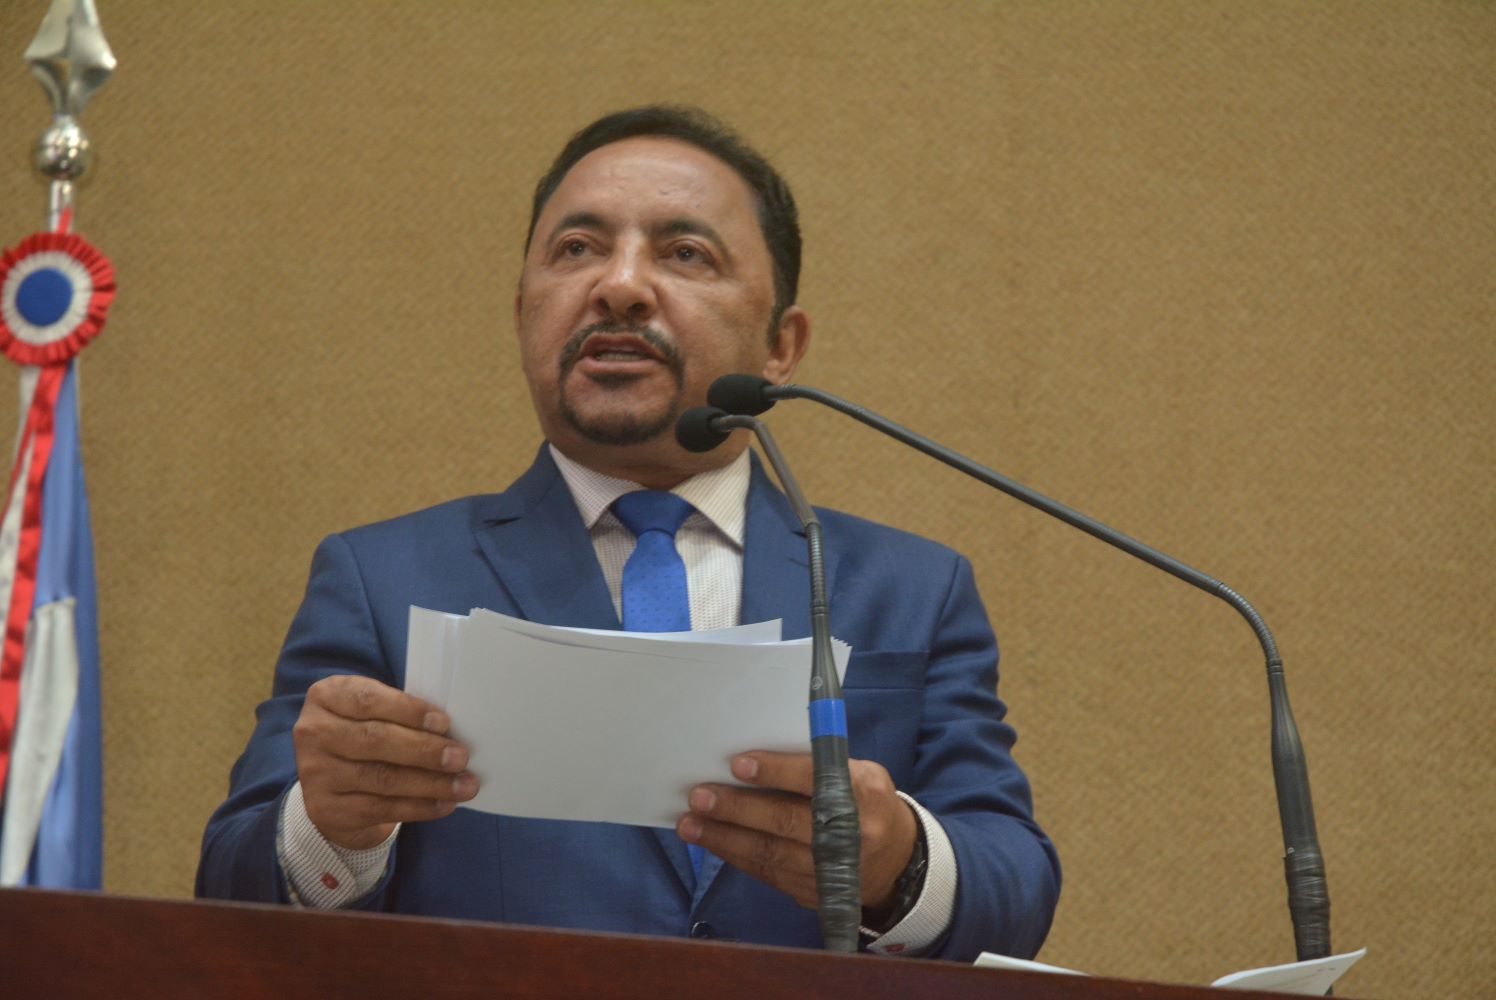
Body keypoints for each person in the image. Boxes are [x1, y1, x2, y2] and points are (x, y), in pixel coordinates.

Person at [196, 106, 1060, 961]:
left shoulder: (912, 589)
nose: (619, 286)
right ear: (523, 314)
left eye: (685, 254)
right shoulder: (382, 577)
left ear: (781, 346)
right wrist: (331, 829)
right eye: (577, 249)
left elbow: (1013, 889)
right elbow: (230, 898)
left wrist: (896, 862)